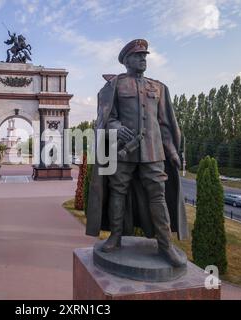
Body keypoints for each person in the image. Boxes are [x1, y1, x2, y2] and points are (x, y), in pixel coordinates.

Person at [86, 39, 188, 267]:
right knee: (118, 192)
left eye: (145, 55)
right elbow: (105, 117)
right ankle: (115, 237)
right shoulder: (114, 86)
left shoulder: (158, 87)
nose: (143, 59)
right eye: (139, 56)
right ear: (126, 60)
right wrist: (115, 127)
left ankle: (165, 245)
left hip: (153, 151)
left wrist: (172, 150)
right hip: (123, 151)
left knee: (158, 196)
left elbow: (164, 124)